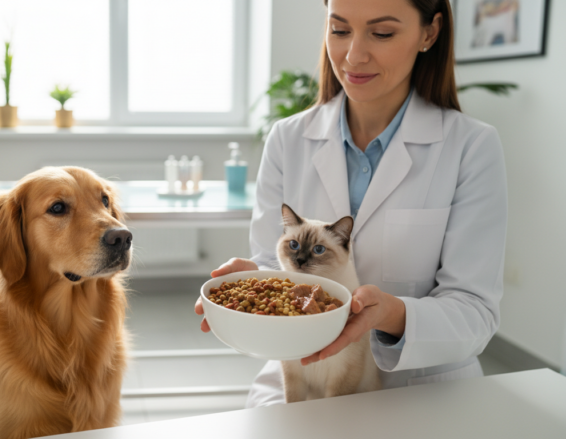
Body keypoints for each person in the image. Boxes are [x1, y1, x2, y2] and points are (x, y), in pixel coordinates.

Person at [194, 0, 507, 407]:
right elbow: (278, 270)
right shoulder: (288, 138)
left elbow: (474, 313)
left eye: (382, 33)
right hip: (302, 384)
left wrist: (387, 314)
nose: (353, 55)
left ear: (429, 33)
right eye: (339, 30)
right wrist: (254, 279)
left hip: (420, 396)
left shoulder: (472, 147)